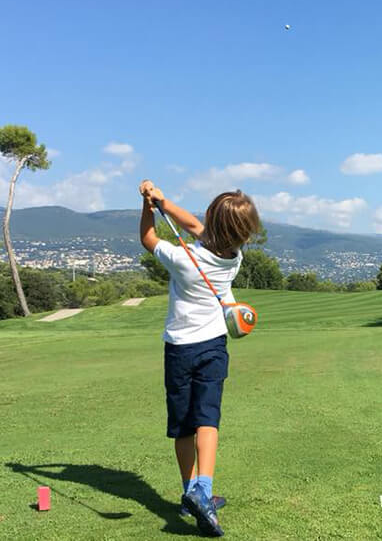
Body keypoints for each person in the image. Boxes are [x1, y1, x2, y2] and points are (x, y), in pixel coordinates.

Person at [139, 180, 260, 537]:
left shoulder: (183, 259)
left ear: (211, 219)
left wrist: (148, 207)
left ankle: (190, 491)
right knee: (208, 417)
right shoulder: (234, 257)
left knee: (183, 426)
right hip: (213, 346)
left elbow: (148, 239)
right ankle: (202, 491)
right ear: (243, 233)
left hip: (179, 348)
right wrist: (163, 200)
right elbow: (194, 228)